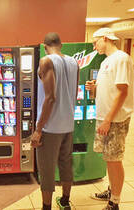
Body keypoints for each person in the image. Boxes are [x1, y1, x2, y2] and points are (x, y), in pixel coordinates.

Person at [86, 27, 134, 210]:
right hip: (106, 118)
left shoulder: (121, 58)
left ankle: (115, 201)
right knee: (109, 158)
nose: (93, 46)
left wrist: (108, 120)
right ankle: (111, 189)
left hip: (115, 120)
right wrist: (94, 89)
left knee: (114, 160)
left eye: (95, 42)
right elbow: (111, 90)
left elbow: (122, 92)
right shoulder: (107, 61)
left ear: (105, 38)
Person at [31, 32, 79, 210]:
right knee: (66, 163)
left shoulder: (46, 61)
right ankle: (65, 202)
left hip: (50, 127)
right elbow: (74, 94)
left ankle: (46, 207)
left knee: (47, 169)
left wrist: (38, 128)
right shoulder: (74, 62)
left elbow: (50, 98)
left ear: (44, 47)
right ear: (61, 44)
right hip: (68, 124)